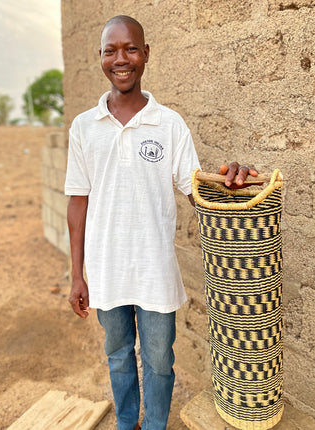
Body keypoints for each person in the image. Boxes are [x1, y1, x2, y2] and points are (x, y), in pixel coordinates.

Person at [64, 15, 258, 430]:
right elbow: (77, 200)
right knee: (118, 355)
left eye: (131, 48)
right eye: (110, 50)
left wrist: (230, 183)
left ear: (146, 54)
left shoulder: (169, 125)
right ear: (99, 57)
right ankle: (126, 422)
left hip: (154, 272)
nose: (121, 59)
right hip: (105, 270)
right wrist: (76, 274)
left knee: (159, 360)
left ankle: (154, 426)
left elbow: (197, 191)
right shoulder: (84, 127)